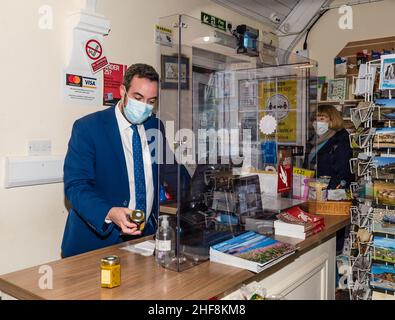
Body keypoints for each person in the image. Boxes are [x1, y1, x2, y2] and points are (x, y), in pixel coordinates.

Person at [61, 64, 165, 258]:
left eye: (151, 101)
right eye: (138, 98)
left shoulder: (155, 127)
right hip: (96, 242)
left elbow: (171, 172)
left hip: (144, 240)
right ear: (122, 91)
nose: (144, 106)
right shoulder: (88, 128)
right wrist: (109, 212)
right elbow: (76, 186)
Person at [305, 104, 353, 189]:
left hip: (329, 193)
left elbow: (344, 173)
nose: (317, 122)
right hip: (313, 190)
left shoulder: (340, 141)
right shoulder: (313, 140)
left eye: (322, 119)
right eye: (315, 119)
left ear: (332, 120)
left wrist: (331, 191)